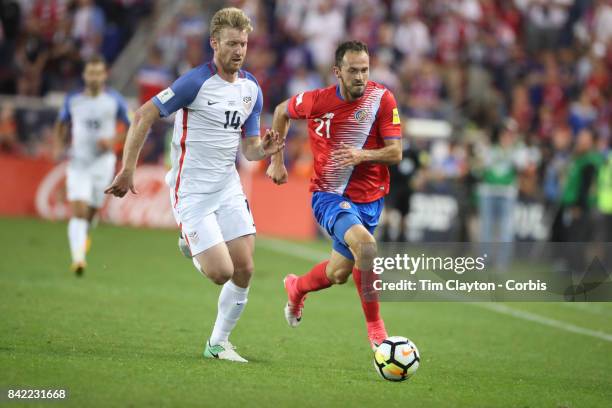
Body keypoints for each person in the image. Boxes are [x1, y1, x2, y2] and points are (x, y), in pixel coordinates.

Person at [105, 8, 282, 363]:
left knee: (245, 268)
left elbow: (247, 150)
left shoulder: (251, 89)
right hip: (192, 192)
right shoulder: (194, 83)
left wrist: (264, 149)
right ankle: (190, 240)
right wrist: (128, 169)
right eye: (232, 43)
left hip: (228, 187)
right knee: (222, 273)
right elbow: (143, 114)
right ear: (214, 43)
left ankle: (217, 344)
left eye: (244, 44)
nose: (239, 50)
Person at [266, 41, 402, 350]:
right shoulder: (317, 101)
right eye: (353, 70)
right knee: (366, 248)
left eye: (365, 70)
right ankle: (377, 331)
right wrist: (276, 161)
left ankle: (296, 287)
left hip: (370, 200)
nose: (360, 77)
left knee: (338, 273)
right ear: (337, 72)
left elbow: (396, 153)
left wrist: (361, 155)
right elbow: (280, 112)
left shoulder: (382, 99)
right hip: (328, 196)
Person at [53, 54, 130, 276]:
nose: (94, 77)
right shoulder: (73, 99)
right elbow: (61, 123)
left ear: (104, 75)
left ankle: (83, 236)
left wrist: (113, 141)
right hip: (78, 162)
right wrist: (58, 145)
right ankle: (78, 259)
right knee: (78, 211)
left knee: (91, 213)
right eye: (91, 73)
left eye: (98, 73)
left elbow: (132, 126)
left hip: (103, 164)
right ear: (85, 75)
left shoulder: (114, 100)